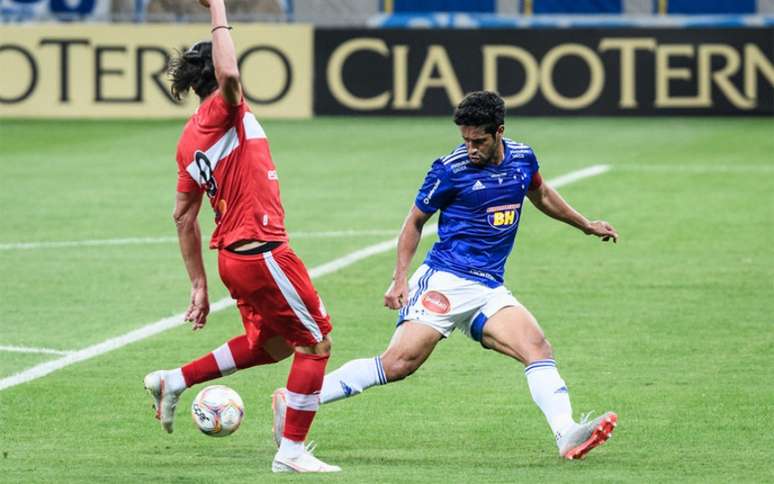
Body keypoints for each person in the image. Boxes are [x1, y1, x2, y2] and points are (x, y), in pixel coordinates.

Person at [272, 91, 619, 460]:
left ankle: (566, 434)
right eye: (465, 139)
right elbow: (414, 221)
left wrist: (585, 225)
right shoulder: (449, 169)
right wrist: (400, 278)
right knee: (398, 364)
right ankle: (296, 400)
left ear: (499, 132)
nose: (470, 148)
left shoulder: (522, 158)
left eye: (479, 141)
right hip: (444, 281)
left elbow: (542, 194)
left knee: (537, 347)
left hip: (488, 287)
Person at [142, 0, 339, 473]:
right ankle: (291, 452)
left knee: (269, 346)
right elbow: (230, 77)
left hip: (235, 257)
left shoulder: (190, 136)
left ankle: (173, 380)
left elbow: (182, 217)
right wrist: (218, 9)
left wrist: (199, 284)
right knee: (316, 343)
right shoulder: (221, 109)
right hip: (262, 249)